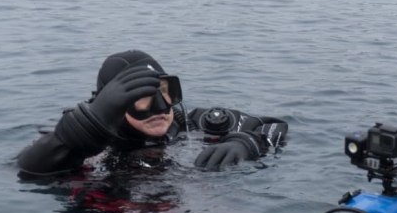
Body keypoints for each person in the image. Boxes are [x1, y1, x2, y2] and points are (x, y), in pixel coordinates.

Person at [17, 50, 288, 176]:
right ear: (112, 103)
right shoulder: (82, 144)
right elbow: (27, 169)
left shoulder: (192, 124)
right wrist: (84, 132)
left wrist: (246, 143)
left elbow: (275, 128)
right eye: (142, 100)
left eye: (164, 93)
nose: (160, 108)